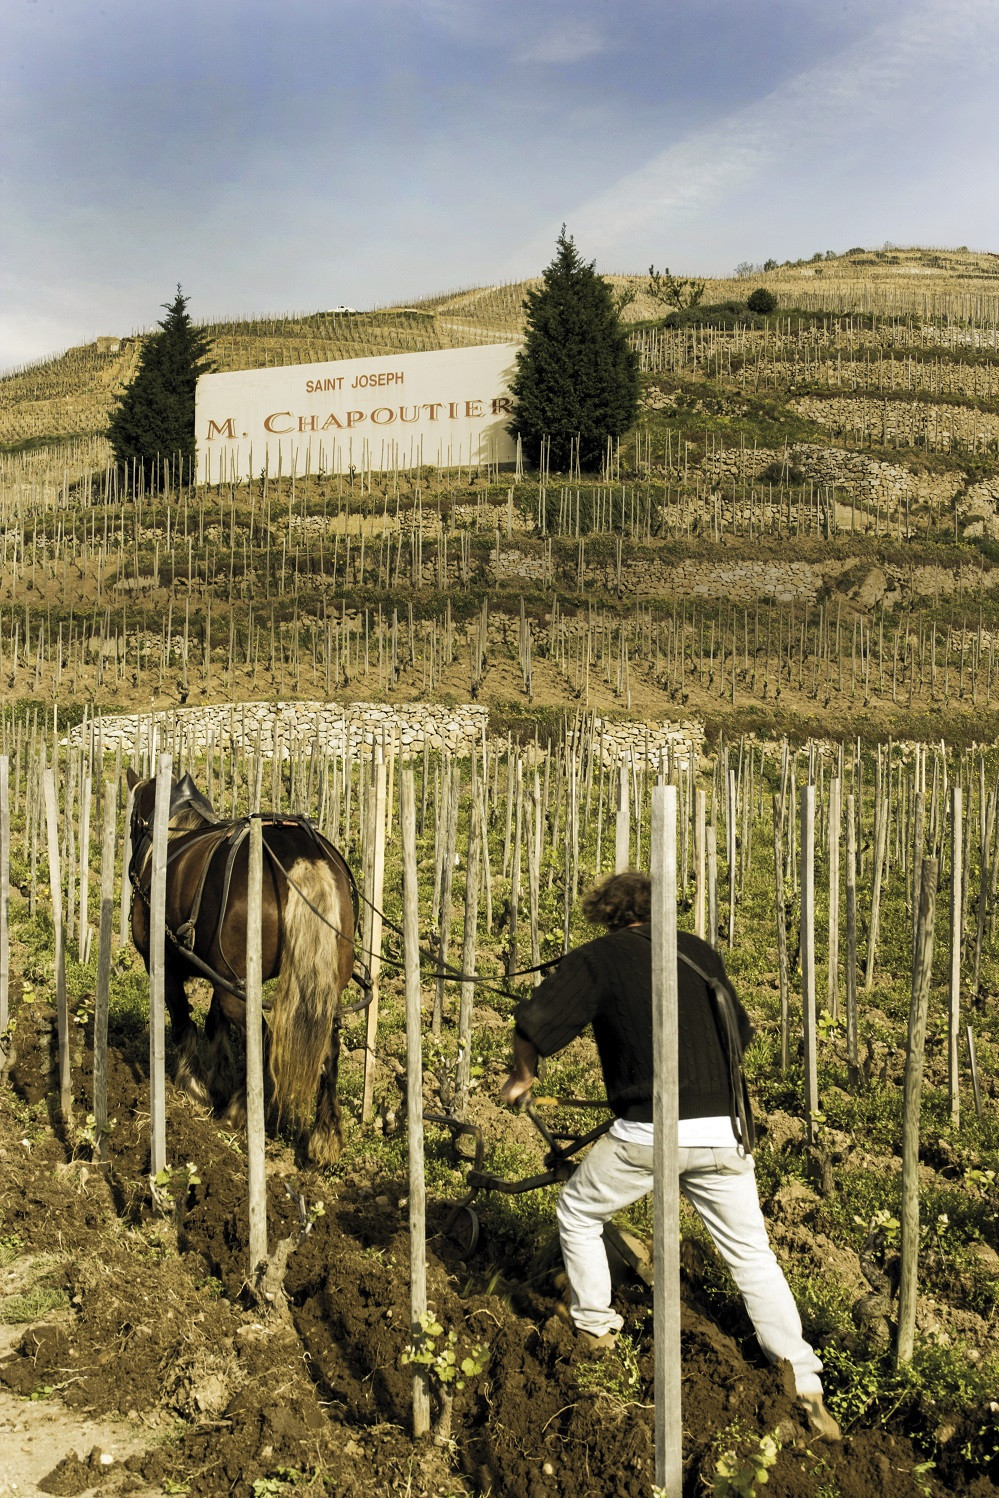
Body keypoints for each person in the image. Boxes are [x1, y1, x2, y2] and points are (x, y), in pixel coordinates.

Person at [500, 870, 841, 1442]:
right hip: (725, 1130)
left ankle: (594, 1328)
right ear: (660, 911)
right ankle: (805, 1383)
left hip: (649, 1133)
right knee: (754, 1256)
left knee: (579, 1212)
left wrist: (523, 1075)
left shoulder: (599, 957)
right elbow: (742, 1036)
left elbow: (533, 1021)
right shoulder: (701, 954)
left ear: (607, 914)